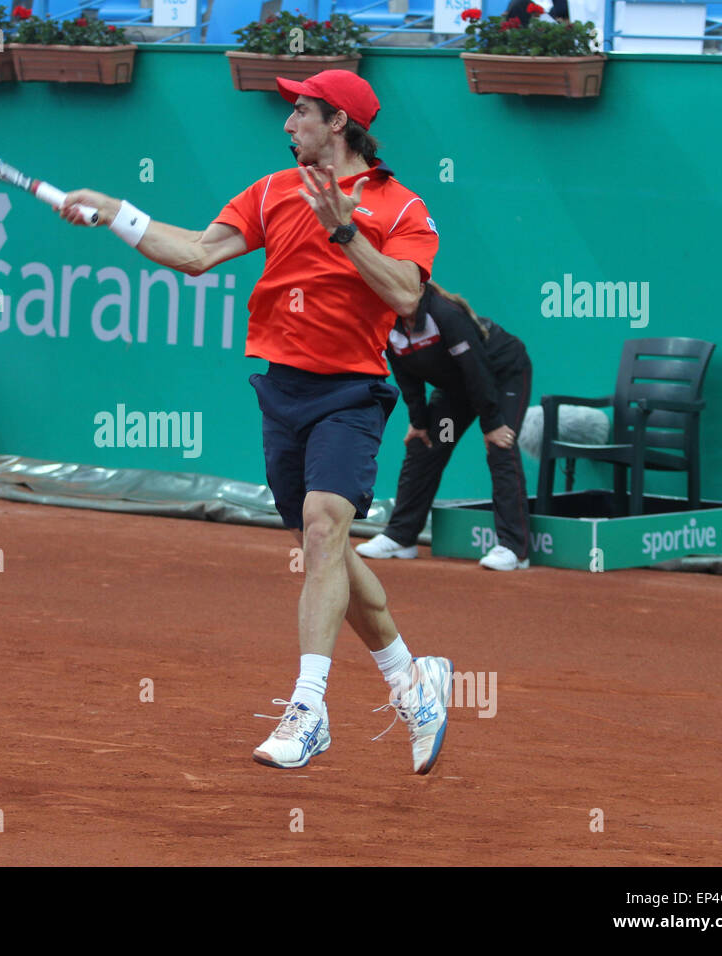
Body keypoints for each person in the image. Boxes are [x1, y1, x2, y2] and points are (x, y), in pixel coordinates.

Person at [57, 71, 453, 775]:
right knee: (325, 550)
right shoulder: (271, 190)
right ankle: (411, 681)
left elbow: (404, 293)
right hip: (281, 390)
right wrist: (117, 211)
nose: (286, 122)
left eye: (299, 110)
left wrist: (343, 233)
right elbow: (196, 255)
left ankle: (308, 709)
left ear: (339, 123)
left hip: (352, 393)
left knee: (328, 529)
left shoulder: (401, 206)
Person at [357, 283, 533, 570]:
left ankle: (514, 548)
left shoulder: (446, 315)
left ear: (414, 287)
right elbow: (405, 376)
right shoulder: (387, 322)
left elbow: (476, 369)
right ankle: (401, 537)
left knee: (500, 447)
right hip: (457, 390)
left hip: (501, 377)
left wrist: (492, 424)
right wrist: (419, 422)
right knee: (426, 445)